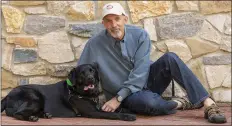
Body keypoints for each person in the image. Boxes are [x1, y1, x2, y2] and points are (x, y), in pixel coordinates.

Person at [78, 2, 227, 124]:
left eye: (117, 19)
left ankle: (208, 104)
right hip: (128, 95)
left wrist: (117, 100)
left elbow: (141, 72)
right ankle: (179, 103)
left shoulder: (140, 35)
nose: (114, 24)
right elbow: (80, 71)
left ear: (125, 19)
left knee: (171, 58)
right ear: (103, 24)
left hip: (147, 81)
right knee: (148, 103)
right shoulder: (94, 44)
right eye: (109, 21)